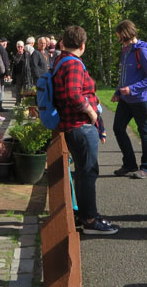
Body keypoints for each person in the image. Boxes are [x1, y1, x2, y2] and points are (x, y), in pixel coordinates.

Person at [52, 25, 118, 235]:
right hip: (80, 125)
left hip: (72, 125)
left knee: (83, 172)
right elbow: (73, 93)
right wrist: (91, 112)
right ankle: (90, 220)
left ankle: (86, 215)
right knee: (88, 173)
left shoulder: (60, 61)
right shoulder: (73, 64)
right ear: (82, 45)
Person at [111, 20, 147, 179]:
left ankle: (146, 168)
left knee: (145, 132)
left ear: (126, 35)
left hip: (140, 100)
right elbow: (124, 75)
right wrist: (118, 91)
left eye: (120, 37)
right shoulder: (125, 50)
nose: (119, 40)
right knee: (118, 128)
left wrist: (132, 89)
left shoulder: (142, 51)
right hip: (125, 100)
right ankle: (130, 164)